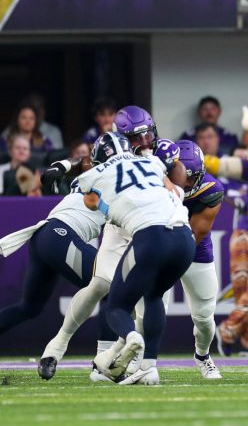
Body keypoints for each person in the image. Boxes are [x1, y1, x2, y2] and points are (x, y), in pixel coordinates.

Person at [0, 145, 105, 383]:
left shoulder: (92, 173)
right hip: (61, 235)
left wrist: (61, 165)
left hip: (44, 236)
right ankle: (102, 366)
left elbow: (80, 163)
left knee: (29, 306)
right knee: (112, 288)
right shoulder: (114, 180)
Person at [80, 134, 195, 387]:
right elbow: (175, 189)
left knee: (117, 307)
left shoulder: (95, 173)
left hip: (151, 237)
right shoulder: (152, 162)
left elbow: (90, 202)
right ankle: (148, 368)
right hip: (185, 238)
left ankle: (131, 337)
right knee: (154, 295)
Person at [168, 141, 226, 379]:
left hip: (194, 249)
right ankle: (142, 360)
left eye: (193, 178)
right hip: (158, 245)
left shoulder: (211, 189)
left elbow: (195, 235)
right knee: (147, 311)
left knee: (204, 317)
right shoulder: (155, 182)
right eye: (184, 177)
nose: (188, 183)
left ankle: (202, 355)